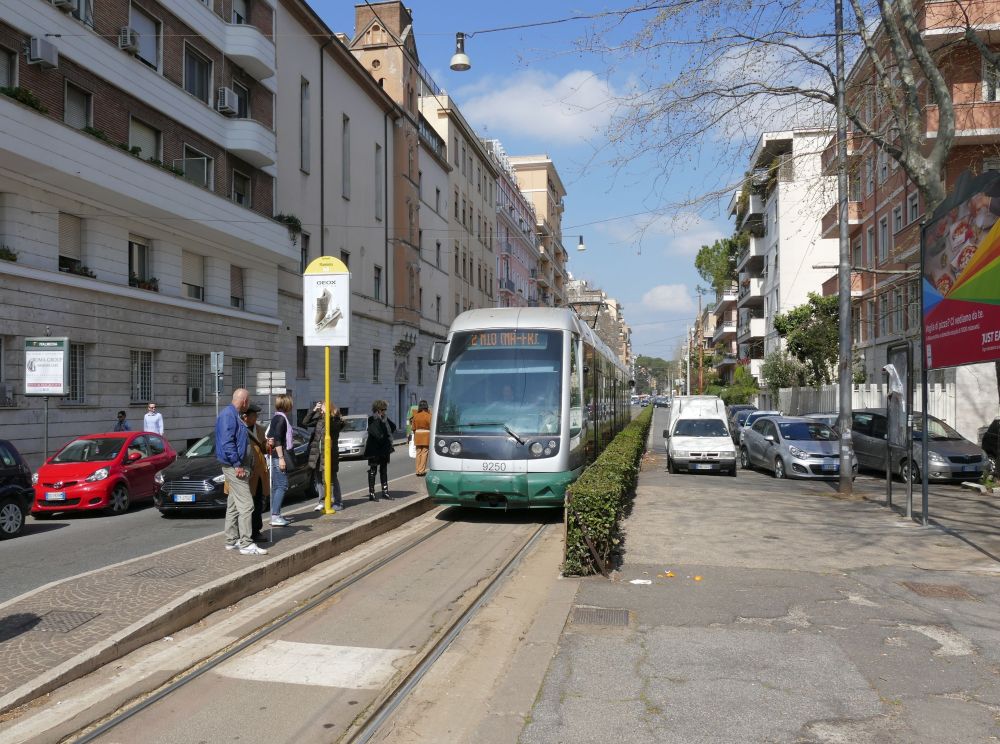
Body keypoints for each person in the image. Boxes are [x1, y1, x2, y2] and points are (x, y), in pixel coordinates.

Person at [216, 388, 266, 556]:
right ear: (244, 401)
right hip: (235, 467)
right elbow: (227, 442)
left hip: (236, 465)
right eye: (248, 401)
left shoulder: (233, 415)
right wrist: (237, 465)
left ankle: (231, 540)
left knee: (233, 505)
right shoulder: (229, 416)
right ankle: (246, 543)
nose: (248, 404)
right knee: (247, 505)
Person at [304, 400, 344, 512]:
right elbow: (305, 422)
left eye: (323, 408)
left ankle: (338, 502)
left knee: (332, 478)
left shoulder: (335, 420)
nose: (321, 410)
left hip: (329, 453)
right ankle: (322, 501)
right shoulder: (320, 419)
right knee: (318, 478)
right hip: (317, 453)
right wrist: (313, 410)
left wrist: (327, 414)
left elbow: (332, 427)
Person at [241, 402, 270, 542]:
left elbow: (263, 448)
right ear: (245, 417)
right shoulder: (239, 429)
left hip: (258, 472)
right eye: (253, 415)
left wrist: (268, 445)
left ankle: (256, 531)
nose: (256, 418)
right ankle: (244, 533)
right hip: (245, 471)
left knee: (258, 502)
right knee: (246, 504)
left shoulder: (259, 429)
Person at [267, 394, 295, 527]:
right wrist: (281, 458)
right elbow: (277, 439)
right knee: (282, 485)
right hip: (278, 456)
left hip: (274, 456)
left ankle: (275, 514)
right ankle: (275, 515)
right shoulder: (281, 419)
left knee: (276, 486)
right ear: (287, 404)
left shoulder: (276, 417)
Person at [363, 399, 396, 501]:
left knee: (383, 470)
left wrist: (385, 420)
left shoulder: (385, 419)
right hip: (374, 450)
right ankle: (372, 493)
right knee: (373, 470)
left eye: (385, 410)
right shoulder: (371, 419)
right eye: (383, 410)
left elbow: (393, 427)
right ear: (377, 410)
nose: (384, 412)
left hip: (384, 449)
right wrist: (379, 419)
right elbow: (377, 433)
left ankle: (385, 492)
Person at [408, 400, 432, 477]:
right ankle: (421, 471)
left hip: (417, 435)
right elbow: (431, 426)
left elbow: (413, 428)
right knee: (424, 452)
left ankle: (417, 470)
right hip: (426, 435)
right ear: (426, 406)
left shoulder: (416, 415)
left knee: (418, 453)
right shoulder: (429, 415)